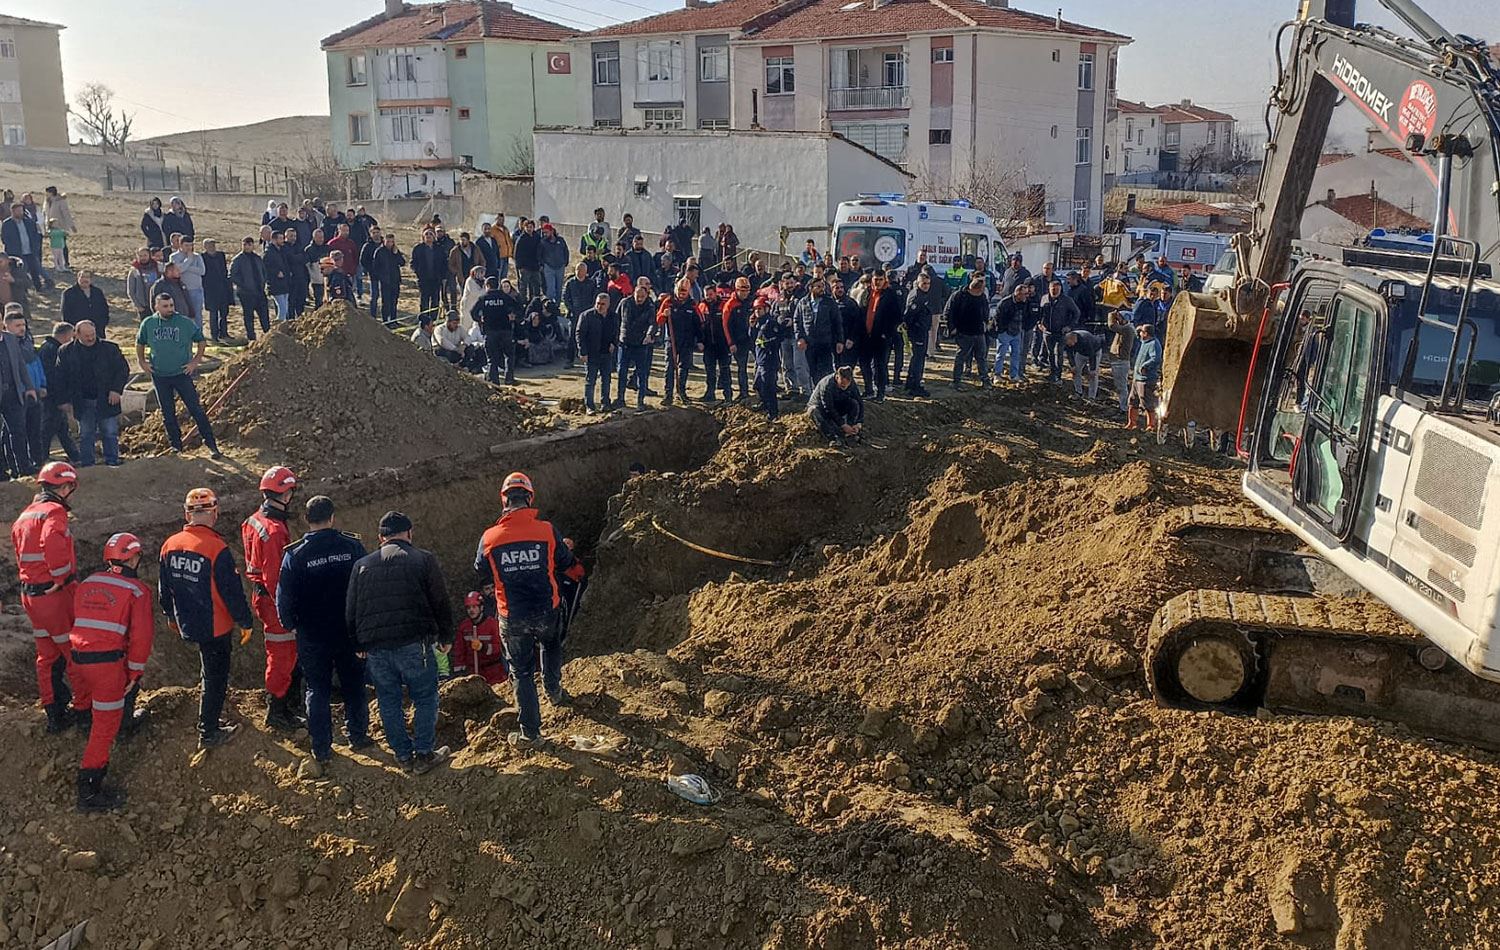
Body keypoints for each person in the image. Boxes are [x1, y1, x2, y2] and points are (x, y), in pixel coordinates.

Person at [474, 473, 585, 743]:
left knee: (521, 672)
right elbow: (564, 560)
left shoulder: (489, 537)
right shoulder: (546, 530)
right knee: (550, 645)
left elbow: (480, 570)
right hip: (548, 608)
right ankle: (554, 691)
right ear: (529, 498)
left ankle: (531, 733)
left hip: (512, 616)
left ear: (504, 499)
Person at [346, 511, 452, 773]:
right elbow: (440, 600)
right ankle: (425, 754)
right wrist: (446, 636)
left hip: (376, 647)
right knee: (425, 696)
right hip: (414, 643)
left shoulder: (362, 565)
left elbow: (352, 608)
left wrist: (357, 644)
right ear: (409, 532)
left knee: (388, 700)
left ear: (380, 537)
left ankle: (403, 756)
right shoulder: (423, 559)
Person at [277, 495, 372, 770]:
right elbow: (366, 586)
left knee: (317, 689)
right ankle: (358, 737)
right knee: (354, 683)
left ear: (307, 520)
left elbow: (284, 598)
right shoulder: (352, 546)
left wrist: (290, 624)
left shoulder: (295, 554)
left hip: (312, 634)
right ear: (332, 517)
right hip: (348, 629)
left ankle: (321, 748)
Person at [159, 488, 255, 749]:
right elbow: (232, 593)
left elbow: (164, 587)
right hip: (215, 625)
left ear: (187, 513)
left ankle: (210, 719)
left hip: (188, 620)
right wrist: (245, 621)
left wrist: (170, 614)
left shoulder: (170, 544)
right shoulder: (216, 548)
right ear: (215, 512)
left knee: (208, 671)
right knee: (215, 676)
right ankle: (209, 731)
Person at [70, 532, 154, 812]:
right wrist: (135, 672)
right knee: (105, 725)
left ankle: (118, 721)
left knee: (95, 707)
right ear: (131, 557)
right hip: (105, 664)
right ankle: (89, 791)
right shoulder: (137, 591)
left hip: (78, 657)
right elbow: (141, 638)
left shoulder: (89, 582)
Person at [12, 461, 87, 732]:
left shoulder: (25, 515)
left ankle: (54, 712)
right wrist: (62, 578)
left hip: (31, 596)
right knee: (74, 652)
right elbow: (52, 542)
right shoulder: (54, 512)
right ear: (65, 487)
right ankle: (83, 710)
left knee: (47, 655)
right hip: (53, 596)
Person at [242, 465, 304, 731]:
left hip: (262, 596)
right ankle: (277, 711)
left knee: (287, 653)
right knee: (282, 656)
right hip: (273, 600)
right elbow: (275, 577)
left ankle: (288, 704)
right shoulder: (275, 531)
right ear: (286, 493)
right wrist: (288, 609)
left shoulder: (254, 519)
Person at [136, 292, 222, 459]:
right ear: (157, 306)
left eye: (171, 306)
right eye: (165, 306)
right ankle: (176, 447)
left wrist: (195, 362)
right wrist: (142, 362)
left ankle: (211, 444)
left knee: (196, 409)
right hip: (160, 375)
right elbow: (140, 343)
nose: (169, 309)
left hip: (181, 374)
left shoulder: (184, 323)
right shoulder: (149, 323)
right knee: (168, 413)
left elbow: (201, 340)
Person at [54, 319, 127, 468]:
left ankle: (112, 461)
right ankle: (88, 464)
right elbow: (60, 378)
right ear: (77, 334)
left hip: (106, 398)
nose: (90, 338)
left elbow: (122, 370)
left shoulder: (109, 349)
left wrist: (116, 390)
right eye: (87, 335)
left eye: (92, 334)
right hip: (82, 400)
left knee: (110, 431)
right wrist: (63, 400)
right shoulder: (66, 352)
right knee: (86, 434)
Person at [0, 303, 37, 476]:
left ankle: (23, 467)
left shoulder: (10, 339)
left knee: (18, 431)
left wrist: (29, 387)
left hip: (13, 392)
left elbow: (21, 365)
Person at [36, 322, 79, 463]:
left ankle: (74, 455)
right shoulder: (53, 350)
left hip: (52, 396)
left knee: (61, 428)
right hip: (52, 398)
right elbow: (54, 378)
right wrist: (61, 400)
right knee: (48, 428)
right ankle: (42, 457)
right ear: (66, 335)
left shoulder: (47, 347)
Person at [855, 272, 901, 401]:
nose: (878, 282)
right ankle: (869, 389)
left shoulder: (890, 295)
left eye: (881, 280)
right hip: (866, 335)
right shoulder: (867, 293)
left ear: (885, 280)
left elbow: (897, 316)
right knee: (864, 363)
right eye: (876, 279)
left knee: (880, 365)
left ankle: (880, 393)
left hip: (881, 337)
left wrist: (887, 334)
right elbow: (861, 311)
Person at [657, 279, 701, 407]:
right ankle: (668, 394)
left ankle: (681, 392)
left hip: (687, 340)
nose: (682, 293)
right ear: (676, 289)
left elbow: (698, 324)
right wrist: (664, 314)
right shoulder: (669, 302)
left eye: (685, 291)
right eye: (680, 290)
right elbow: (659, 320)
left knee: (684, 367)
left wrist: (699, 340)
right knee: (670, 367)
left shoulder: (692, 305)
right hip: (672, 339)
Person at [615, 280, 658, 411]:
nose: (639, 299)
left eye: (642, 297)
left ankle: (640, 401)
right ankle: (620, 399)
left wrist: (649, 335)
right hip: (625, 342)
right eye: (637, 296)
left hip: (641, 343)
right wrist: (615, 337)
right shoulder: (625, 303)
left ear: (647, 295)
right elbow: (616, 320)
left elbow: (653, 323)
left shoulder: (649, 306)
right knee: (622, 371)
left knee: (642, 373)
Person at [945, 275, 991, 389]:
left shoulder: (982, 297)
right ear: (976, 289)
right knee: (961, 357)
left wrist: (986, 322)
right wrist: (952, 328)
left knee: (981, 357)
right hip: (963, 332)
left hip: (979, 332)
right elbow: (948, 312)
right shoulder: (959, 296)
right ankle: (956, 381)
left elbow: (986, 312)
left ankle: (985, 380)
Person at [473, 275, 520, 385]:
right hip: (505, 330)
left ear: (487, 286)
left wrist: (480, 320)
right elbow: (518, 307)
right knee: (509, 355)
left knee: (492, 358)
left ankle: (494, 382)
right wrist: (513, 316)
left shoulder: (483, 298)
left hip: (490, 331)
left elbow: (473, 313)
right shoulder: (504, 296)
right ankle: (509, 378)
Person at [452, 591, 507, 684]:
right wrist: (460, 671)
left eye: (474, 607)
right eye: (468, 607)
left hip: (493, 673)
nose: (471, 610)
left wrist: (483, 647)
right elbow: (459, 650)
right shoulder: (464, 626)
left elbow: (499, 647)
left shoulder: (492, 624)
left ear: (481, 607)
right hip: (472, 673)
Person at [577, 292, 617, 413]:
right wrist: (582, 352)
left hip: (606, 353)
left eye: (603, 304)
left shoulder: (613, 316)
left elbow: (617, 331)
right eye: (598, 304)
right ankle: (589, 405)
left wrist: (614, 343)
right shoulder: (586, 316)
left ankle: (605, 403)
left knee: (606, 379)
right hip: (591, 353)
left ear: (608, 305)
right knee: (590, 380)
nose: (600, 306)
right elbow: (580, 334)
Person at [753, 294, 792, 420]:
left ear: (766, 309)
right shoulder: (758, 323)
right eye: (756, 309)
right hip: (760, 361)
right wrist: (751, 326)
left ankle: (773, 413)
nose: (757, 311)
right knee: (758, 385)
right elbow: (752, 338)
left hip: (769, 361)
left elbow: (778, 338)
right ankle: (764, 404)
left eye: (760, 309)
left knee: (768, 387)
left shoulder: (771, 323)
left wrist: (767, 344)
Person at [808, 366, 864, 446]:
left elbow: (859, 401)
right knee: (814, 411)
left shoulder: (851, 383)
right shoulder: (827, 385)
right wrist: (842, 424)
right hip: (821, 407)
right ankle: (832, 437)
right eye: (842, 385)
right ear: (837, 377)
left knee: (853, 403)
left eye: (846, 386)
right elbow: (828, 407)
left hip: (838, 404)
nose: (844, 388)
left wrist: (859, 422)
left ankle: (851, 430)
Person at [1039, 279, 1081, 384]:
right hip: (1047, 332)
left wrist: (1069, 326)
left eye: (1057, 289)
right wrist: (1039, 324)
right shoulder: (1044, 299)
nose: (1054, 291)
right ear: (1049, 289)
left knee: (1059, 353)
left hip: (1061, 332)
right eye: (1052, 289)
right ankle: (1052, 373)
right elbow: (1039, 313)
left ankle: (1058, 375)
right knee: (1050, 353)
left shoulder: (1067, 300)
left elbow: (1076, 313)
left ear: (1060, 289)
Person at [230, 237, 271, 341]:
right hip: (246, 293)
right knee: (249, 316)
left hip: (259, 291)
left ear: (253, 245)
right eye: (244, 244)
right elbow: (232, 275)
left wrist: (263, 282)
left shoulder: (257, 258)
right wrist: (244, 285)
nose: (247, 247)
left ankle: (268, 335)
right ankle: (251, 338)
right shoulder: (238, 259)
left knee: (264, 315)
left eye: (249, 244)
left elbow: (263, 271)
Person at [3, 202, 50, 292]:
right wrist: (12, 250)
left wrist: (35, 247)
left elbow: (35, 235)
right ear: (13, 211)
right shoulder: (7, 224)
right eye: (18, 211)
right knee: (21, 272)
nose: (20, 212)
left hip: (30, 251)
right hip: (17, 253)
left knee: (34, 270)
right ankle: (24, 291)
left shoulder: (29, 222)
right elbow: (5, 239)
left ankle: (39, 287)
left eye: (21, 210)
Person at [902, 272, 935, 397]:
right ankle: (915, 386)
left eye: (928, 284)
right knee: (918, 360)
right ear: (918, 283)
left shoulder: (924, 295)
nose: (926, 286)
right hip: (918, 333)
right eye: (924, 284)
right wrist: (914, 329)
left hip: (922, 331)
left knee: (917, 358)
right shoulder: (917, 297)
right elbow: (908, 316)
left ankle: (911, 383)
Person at [720, 276, 753, 401]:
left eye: (746, 291)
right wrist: (731, 342)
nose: (745, 293)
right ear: (737, 290)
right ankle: (742, 391)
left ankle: (750, 390)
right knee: (741, 367)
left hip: (748, 338)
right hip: (736, 340)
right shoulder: (730, 305)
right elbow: (725, 325)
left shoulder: (750, 302)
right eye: (742, 291)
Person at [993, 284, 1032, 382]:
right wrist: (1001, 330)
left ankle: (1014, 375)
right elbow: (997, 317)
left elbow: (1027, 315)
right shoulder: (1005, 302)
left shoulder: (1025, 302)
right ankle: (997, 375)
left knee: (1016, 354)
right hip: (1005, 332)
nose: (1026, 296)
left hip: (1017, 332)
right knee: (1001, 354)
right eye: (1025, 294)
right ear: (1018, 293)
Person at [1129, 323, 1163, 432]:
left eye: (1141, 332)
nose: (1139, 333)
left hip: (1146, 379)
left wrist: (1145, 366)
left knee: (1147, 402)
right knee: (1132, 400)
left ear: (1146, 333)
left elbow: (1156, 358)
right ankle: (1131, 423)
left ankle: (1151, 425)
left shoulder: (1153, 344)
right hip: (1136, 378)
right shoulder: (1144, 342)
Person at [61, 271, 109, 341]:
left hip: (97, 329)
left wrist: (103, 323)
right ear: (78, 278)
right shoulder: (69, 293)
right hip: (78, 331)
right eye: (82, 277)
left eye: (87, 277)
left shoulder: (97, 292)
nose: (85, 280)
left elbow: (104, 308)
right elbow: (65, 313)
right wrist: (73, 329)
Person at [200, 240, 232, 342]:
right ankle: (214, 335)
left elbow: (224, 270)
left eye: (213, 245)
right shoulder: (202, 257)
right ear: (205, 246)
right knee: (213, 313)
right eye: (209, 245)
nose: (212, 247)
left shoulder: (220, 255)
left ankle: (224, 333)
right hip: (210, 289)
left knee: (224, 312)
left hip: (222, 287)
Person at [1106, 309, 1135, 414]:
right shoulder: (1126, 328)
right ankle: (1123, 406)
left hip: (1121, 362)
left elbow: (1112, 326)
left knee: (1121, 387)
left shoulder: (1128, 329)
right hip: (1118, 361)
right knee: (1120, 386)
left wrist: (1111, 315)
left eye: (1120, 318)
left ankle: (1124, 408)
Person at [372, 235, 405, 325]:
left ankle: (394, 320)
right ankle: (386, 321)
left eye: (392, 242)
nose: (390, 243)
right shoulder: (379, 251)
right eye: (388, 241)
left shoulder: (395, 251)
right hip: (385, 281)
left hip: (395, 280)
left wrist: (396, 254)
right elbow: (375, 266)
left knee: (394, 301)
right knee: (386, 302)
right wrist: (380, 277)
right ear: (384, 241)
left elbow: (402, 263)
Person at [1064, 329, 1103, 400]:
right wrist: (1072, 365)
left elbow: (1092, 355)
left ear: (1073, 339)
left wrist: (1092, 369)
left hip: (1095, 351)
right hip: (1080, 353)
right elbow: (1069, 353)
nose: (1069, 345)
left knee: (1093, 375)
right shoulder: (1068, 341)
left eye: (1070, 343)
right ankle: (1078, 392)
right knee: (1075, 371)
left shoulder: (1085, 339)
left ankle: (1092, 397)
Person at [513, 219, 543, 302]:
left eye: (531, 227)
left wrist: (540, 264)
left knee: (536, 286)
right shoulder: (521, 239)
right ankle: (523, 302)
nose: (529, 229)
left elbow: (540, 251)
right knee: (523, 286)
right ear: (524, 227)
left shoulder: (537, 237)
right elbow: (517, 254)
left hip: (535, 266)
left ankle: (535, 301)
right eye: (527, 227)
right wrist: (520, 267)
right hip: (525, 267)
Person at [539, 223, 569, 302]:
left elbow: (565, 251)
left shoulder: (560, 240)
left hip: (560, 267)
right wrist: (542, 265)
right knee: (551, 289)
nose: (545, 234)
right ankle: (549, 305)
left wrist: (565, 262)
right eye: (544, 232)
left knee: (559, 288)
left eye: (547, 232)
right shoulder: (543, 242)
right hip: (549, 267)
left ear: (552, 231)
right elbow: (539, 255)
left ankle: (557, 306)